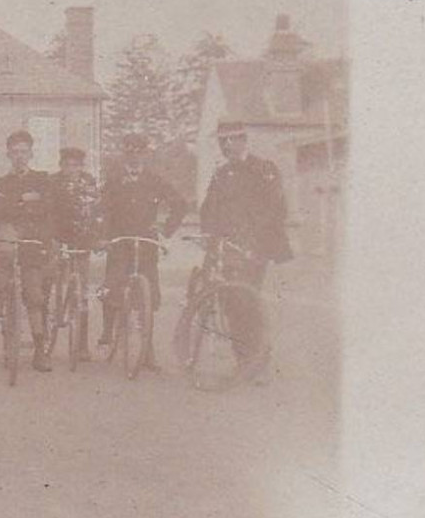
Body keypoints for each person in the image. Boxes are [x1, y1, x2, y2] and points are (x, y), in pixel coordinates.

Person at [197, 120, 292, 366]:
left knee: (248, 302)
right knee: (231, 304)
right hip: (228, 249)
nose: (227, 145)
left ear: (243, 140)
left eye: (232, 139)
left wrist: (252, 241)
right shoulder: (221, 174)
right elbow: (208, 208)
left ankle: (259, 361)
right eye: (222, 141)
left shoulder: (263, 168)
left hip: (255, 248)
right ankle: (243, 361)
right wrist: (207, 234)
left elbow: (274, 208)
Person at [96, 133, 186, 368]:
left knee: (149, 296)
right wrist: (104, 237)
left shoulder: (155, 181)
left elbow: (180, 203)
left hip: (146, 243)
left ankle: (148, 351)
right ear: (124, 155)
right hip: (120, 242)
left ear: (145, 154)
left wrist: (166, 228)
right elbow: (103, 210)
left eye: (139, 152)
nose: (134, 157)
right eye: (129, 153)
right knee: (112, 284)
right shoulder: (114, 181)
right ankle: (108, 329)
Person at [0, 129, 58, 372]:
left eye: (24, 152)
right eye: (15, 152)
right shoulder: (2, 182)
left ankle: (40, 350)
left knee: (34, 297)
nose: (19, 156)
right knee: (4, 249)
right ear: (8, 155)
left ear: (31, 154)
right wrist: (27, 200)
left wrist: (19, 204)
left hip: (33, 237)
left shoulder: (42, 179)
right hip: (11, 232)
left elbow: (48, 206)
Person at [52, 145, 101, 361]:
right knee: (49, 282)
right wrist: (52, 240)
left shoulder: (89, 183)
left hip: (82, 240)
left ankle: (82, 345)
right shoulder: (53, 183)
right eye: (67, 165)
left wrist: (97, 237)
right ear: (61, 166)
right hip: (58, 239)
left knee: (82, 294)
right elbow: (47, 212)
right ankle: (45, 335)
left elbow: (97, 212)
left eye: (76, 165)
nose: (71, 169)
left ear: (82, 167)